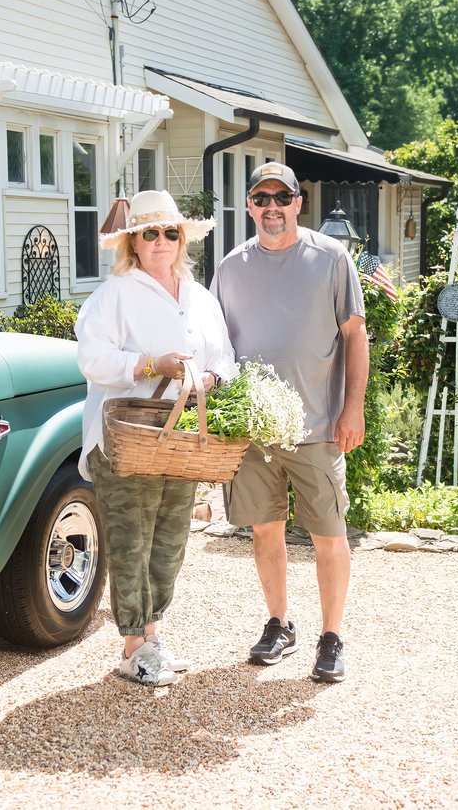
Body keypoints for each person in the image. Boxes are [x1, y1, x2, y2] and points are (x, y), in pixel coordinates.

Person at [211, 162, 368, 683]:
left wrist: (353, 408)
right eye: (262, 198)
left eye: (283, 197)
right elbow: (216, 347)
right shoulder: (231, 267)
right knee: (265, 532)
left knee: (328, 534)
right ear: (250, 205)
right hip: (253, 431)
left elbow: (355, 337)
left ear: (299, 203)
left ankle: (332, 636)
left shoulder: (330, 258)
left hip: (317, 426)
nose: (272, 207)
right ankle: (279, 623)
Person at [75, 189, 238, 687]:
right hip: (127, 440)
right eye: (150, 233)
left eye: (171, 232)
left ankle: (152, 638)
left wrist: (212, 378)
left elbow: (226, 355)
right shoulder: (114, 294)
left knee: (169, 541)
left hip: (181, 439)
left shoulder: (200, 297)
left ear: (182, 237)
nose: (162, 241)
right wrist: (151, 365)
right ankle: (132, 649)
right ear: (134, 242)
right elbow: (92, 359)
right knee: (131, 542)